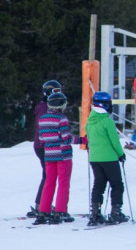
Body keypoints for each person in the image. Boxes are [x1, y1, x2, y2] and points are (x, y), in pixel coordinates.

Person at [34, 92, 83, 225]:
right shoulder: (62, 118)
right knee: (63, 182)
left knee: (49, 182)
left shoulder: (42, 119)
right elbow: (66, 139)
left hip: (49, 155)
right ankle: (61, 211)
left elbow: (42, 139)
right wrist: (82, 140)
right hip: (63, 155)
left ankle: (43, 211)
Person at [85, 91, 128, 226]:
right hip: (109, 158)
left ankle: (95, 213)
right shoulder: (106, 121)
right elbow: (114, 141)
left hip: (94, 158)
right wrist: (121, 154)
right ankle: (115, 212)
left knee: (99, 184)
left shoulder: (89, 121)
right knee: (116, 184)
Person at [27, 80, 62, 218]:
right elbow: (44, 126)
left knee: (48, 174)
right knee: (48, 175)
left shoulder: (50, 106)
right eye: (56, 92)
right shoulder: (43, 107)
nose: (59, 95)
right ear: (48, 92)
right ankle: (41, 205)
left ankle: (42, 203)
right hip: (43, 146)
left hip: (47, 145)